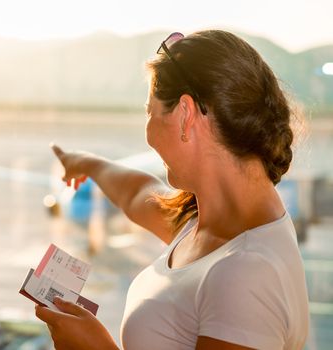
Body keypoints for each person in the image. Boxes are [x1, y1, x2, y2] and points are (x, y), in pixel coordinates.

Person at [35, 30, 309, 350]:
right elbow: (138, 193)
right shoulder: (210, 222)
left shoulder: (247, 274)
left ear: (185, 114)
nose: (149, 135)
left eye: (150, 112)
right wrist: (88, 164)